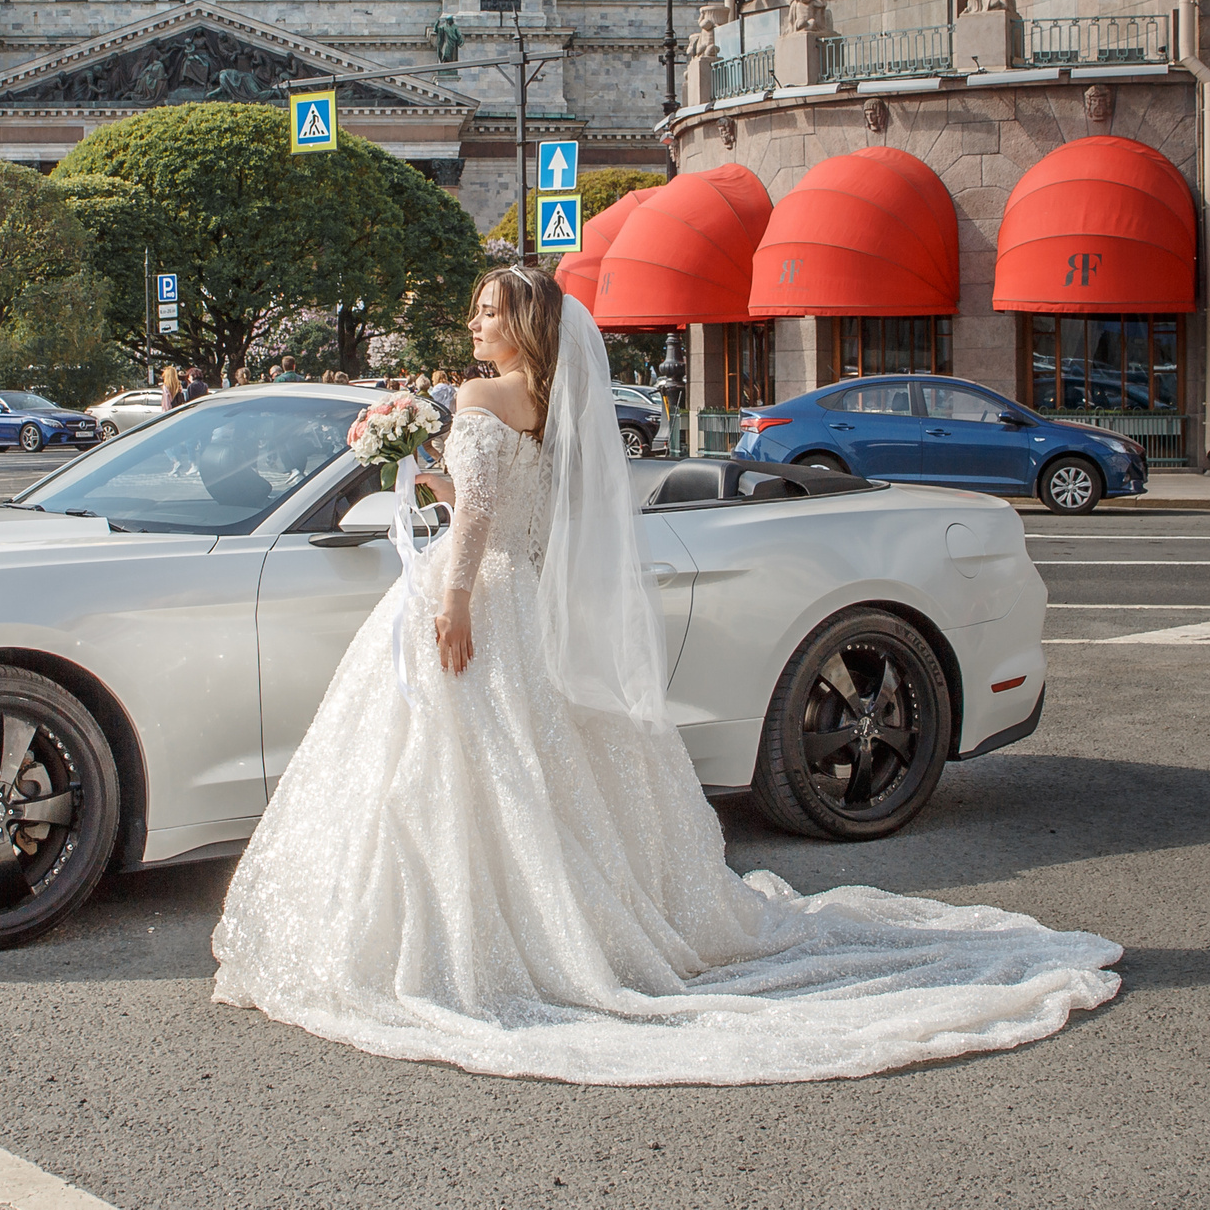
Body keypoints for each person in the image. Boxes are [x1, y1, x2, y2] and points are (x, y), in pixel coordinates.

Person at [210, 264, 1120, 1086]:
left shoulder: (481, 392)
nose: (476, 323)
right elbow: (513, 513)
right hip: (522, 600)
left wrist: (450, 601)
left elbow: (481, 520)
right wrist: (423, 473)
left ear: (526, 326)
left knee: (458, 773)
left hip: (479, 598)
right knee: (527, 772)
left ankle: (468, 943)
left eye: (491, 311)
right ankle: (545, 924)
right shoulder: (546, 400)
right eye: (477, 309)